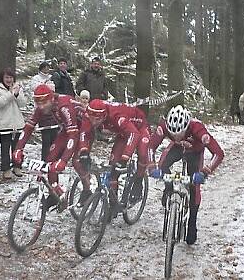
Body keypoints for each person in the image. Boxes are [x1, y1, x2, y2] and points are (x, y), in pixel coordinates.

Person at [149, 105, 224, 245]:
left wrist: (206, 171)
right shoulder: (164, 126)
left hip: (195, 151)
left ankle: (192, 223)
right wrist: (152, 166)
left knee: (194, 186)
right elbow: (150, 147)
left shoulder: (198, 129)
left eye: (180, 133)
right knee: (163, 165)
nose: (177, 136)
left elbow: (218, 153)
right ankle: (169, 187)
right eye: (173, 134)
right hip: (178, 148)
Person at [12, 84, 90, 209]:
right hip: (68, 129)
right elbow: (28, 127)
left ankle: (87, 190)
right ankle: (55, 194)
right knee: (50, 159)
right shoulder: (42, 107)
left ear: (51, 99)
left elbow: (74, 135)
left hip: (84, 130)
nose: (41, 107)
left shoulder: (63, 106)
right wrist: (18, 149)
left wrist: (63, 160)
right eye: (38, 104)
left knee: (77, 162)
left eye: (44, 103)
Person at [77, 99, 151, 206]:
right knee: (113, 168)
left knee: (143, 153)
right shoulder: (90, 114)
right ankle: (113, 203)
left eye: (97, 120)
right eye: (91, 119)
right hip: (123, 132)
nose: (93, 122)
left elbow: (134, 134)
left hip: (139, 128)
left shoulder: (116, 116)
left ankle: (138, 183)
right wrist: (84, 151)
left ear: (104, 116)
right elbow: (84, 133)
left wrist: (124, 159)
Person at [0, 68, 26, 180]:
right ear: (2, 78)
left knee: (17, 147)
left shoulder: (17, 88)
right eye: (6, 77)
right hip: (4, 123)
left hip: (17, 122)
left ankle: (17, 166)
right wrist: (11, 94)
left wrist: (17, 94)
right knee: (5, 147)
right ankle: (6, 169)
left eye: (11, 77)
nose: (9, 80)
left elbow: (22, 103)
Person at [31, 62, 58, 161]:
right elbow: (35, 88)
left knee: (54, 137)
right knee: (46, 139)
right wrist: (45, 86)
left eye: (48, 68)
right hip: (41, 110)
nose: (47, 70)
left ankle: (54, 158)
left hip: (52, 111)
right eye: (45, 68)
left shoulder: (51, 77)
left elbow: (53, 89)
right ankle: (45, 159)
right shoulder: (36, 78)